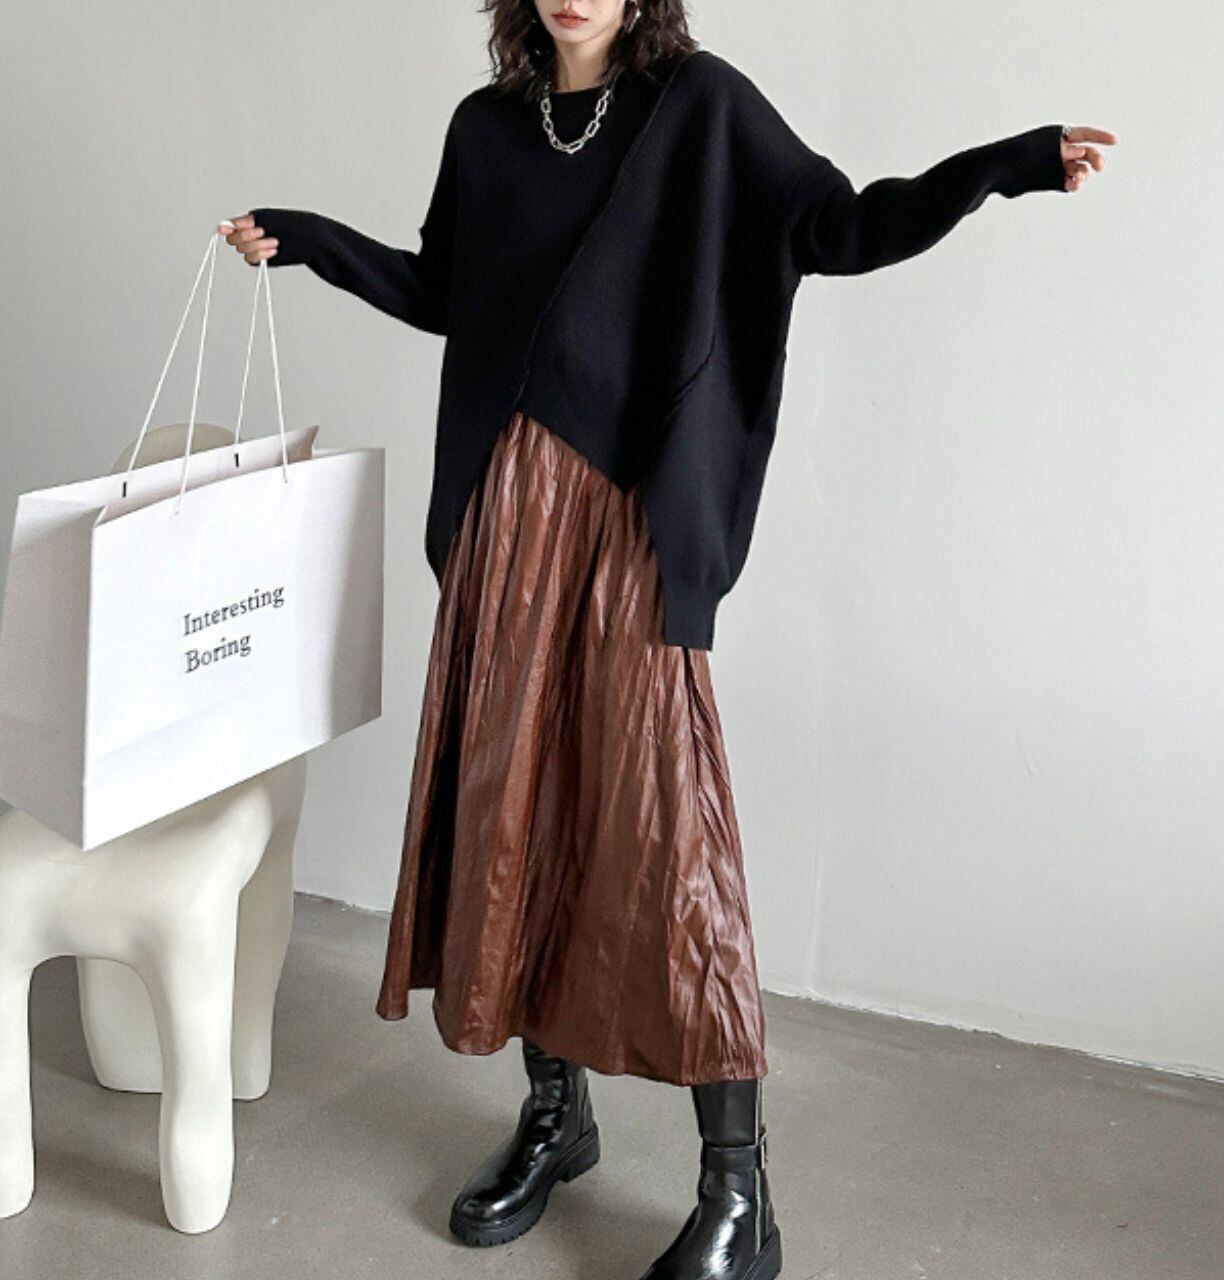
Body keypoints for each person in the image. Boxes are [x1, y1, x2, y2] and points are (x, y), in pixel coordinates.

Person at [221, 3, 1115, 1276]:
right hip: (504, 514)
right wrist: (309, 241)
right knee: (514, 807)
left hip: (633, 517)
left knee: (666, 826)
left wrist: (1007, 165)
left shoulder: (701, 107)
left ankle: (738, 1187)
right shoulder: (485, 130)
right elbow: (447, 291)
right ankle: (555, 1112)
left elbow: (837, 227)